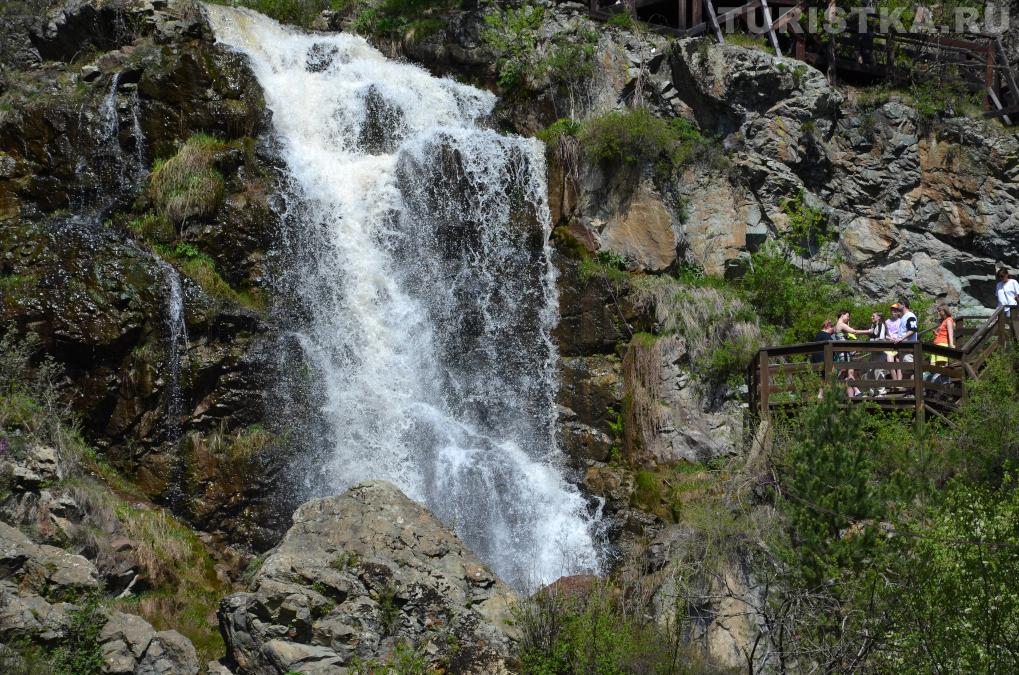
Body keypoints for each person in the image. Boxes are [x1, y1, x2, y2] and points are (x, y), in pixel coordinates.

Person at [834, 310, 869, 397]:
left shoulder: (836, 326)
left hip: (843, 352)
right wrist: (868, 331)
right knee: (849, 373)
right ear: (842, 315)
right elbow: (854, 332)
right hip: (844, 353)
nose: (848, 318)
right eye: (847, 316)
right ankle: (856, 392)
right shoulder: (841, 324)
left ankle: (836, 392)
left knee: (845, 374)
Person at [886, 304, 903, 382]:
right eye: (892, 310)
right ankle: (895, 381)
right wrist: (890, 338)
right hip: (889, 344)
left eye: (895, 310)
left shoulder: (901, 321)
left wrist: (898, 339)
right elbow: (885, 334)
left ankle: (899, 382)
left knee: (898, 362)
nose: (893, 312)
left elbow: (903, 333)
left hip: (899, 343)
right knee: (890, 362)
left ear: (898, 312)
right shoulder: (887, 322)